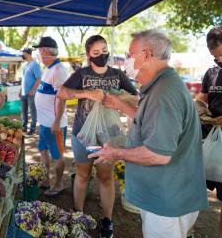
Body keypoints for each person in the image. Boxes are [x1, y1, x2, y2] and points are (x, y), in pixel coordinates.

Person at [89, 29, 208, 238]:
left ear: (144, 55)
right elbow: (153, 123)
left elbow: (158, 155)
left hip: (167, 203)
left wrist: (114, 153)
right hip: (167, 197)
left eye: (129, 54)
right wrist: (121, 106)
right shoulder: (162, 84)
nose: (126, 60)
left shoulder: (164, 93)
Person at [57, 35, 138, 238]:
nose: (102, 55)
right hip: (83, 135)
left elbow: (137, 97)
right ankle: (78, 216)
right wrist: (87, 93)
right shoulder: (81, 74)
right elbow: (61, 93)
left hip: (108, 137)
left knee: (105, 177)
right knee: (83, 175)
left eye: (104, 50)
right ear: (88, 55)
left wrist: (119, 96)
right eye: (96, 52)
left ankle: (107, 221)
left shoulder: (118, 75)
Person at [32, 36, 68, 196]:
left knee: (57, 155)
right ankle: (46, 179)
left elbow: (62, 98)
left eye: (39, 51)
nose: (38, 54)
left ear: (46, 51)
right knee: (42, 150)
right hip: (45, 123)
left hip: (54, 124)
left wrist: (57, 121)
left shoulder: (59, 70)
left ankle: (59, 184)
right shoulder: (48, 68)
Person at [197, 26, 222, 238]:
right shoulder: (211, 73)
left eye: (221, 54)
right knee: (199, 186)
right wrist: (198, 107)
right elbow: (202, 99)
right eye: (215, 57)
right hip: (210, 139)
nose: (219, 60)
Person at [20, 48, 41, 136]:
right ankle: (23, 127)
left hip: (31, 93)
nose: (22, 55)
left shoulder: (34, 64)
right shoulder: (26, 65)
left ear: (28, 54)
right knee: (23, 111)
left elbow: (38, 78)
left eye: (23, 53)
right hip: (24, 93)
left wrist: (33, 90)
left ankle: (32, 129)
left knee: (32, 111)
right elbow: (24, 79)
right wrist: (21, 90)